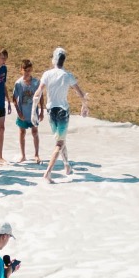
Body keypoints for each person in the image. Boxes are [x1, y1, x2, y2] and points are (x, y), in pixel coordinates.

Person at [36, 47, 89, 182]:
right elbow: (80, 93)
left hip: (51, 112)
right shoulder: (67, 75)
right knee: (59, 143)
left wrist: (33, 110)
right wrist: (84, 106)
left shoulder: (47, 74)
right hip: (62, 112)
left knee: (61, 139)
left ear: (54, 59)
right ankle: (48, 172)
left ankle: (67, 166)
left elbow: (38, 93)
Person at [11, 57, 41, 164]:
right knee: (22, 132)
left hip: (33, 113)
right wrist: (19, 112)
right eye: (25, 71)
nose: (27, 73)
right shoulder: (18, 83)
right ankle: (23, 155)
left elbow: (41, 97)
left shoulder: (36, 82)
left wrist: (41, 111)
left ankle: (36, 154)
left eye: (29, 71)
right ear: (21, 70)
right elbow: (14, 99)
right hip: (23, 113)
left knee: (35, 132)